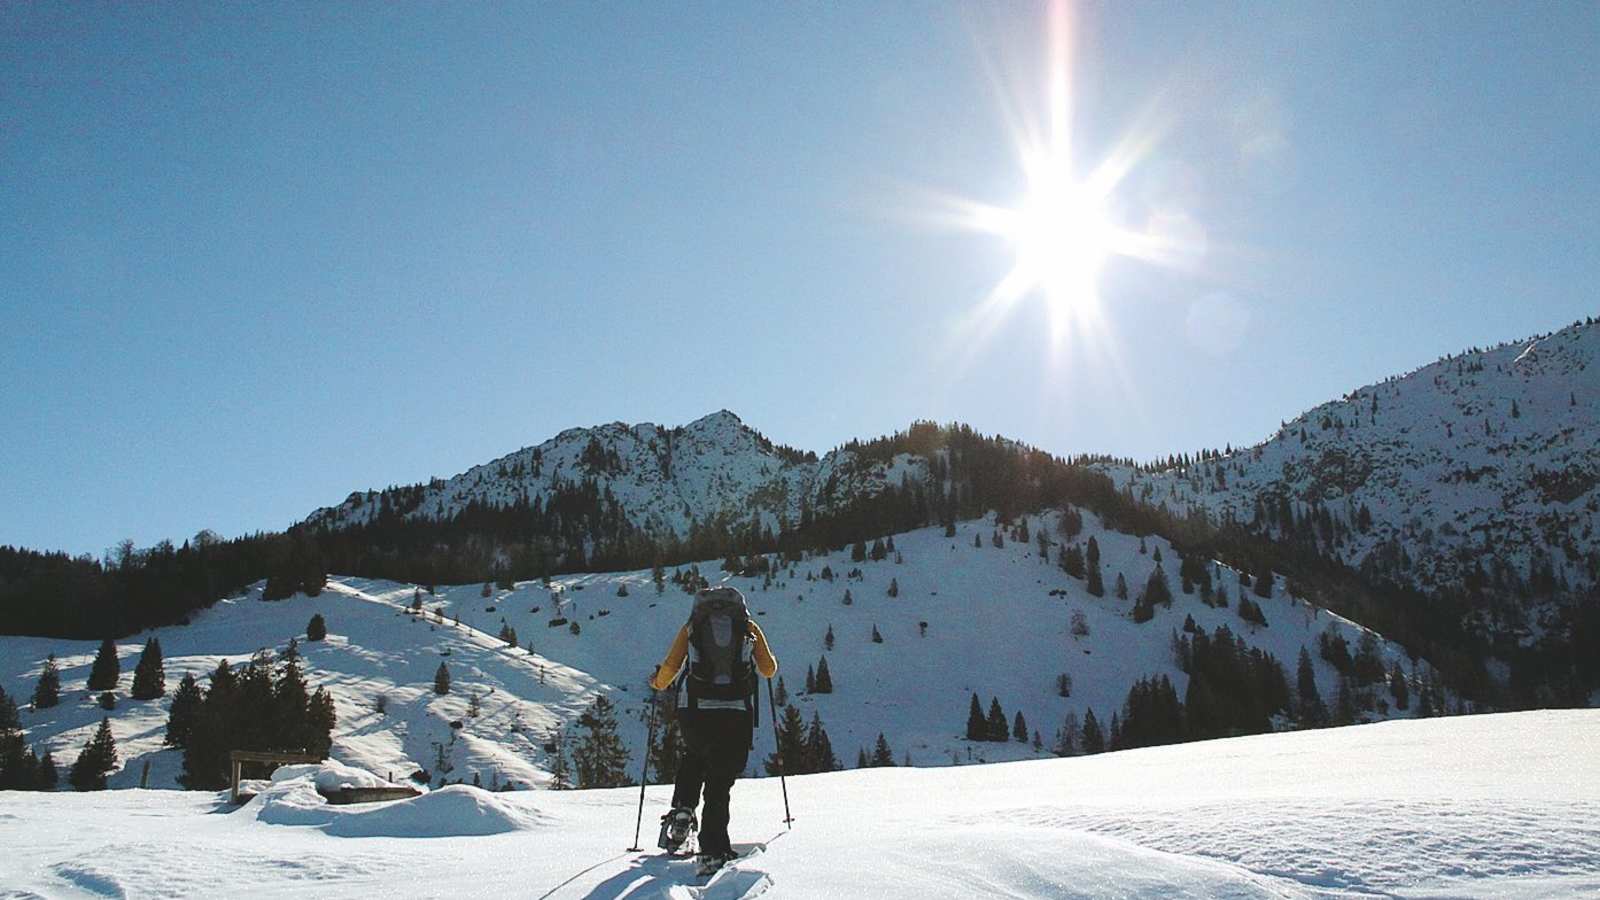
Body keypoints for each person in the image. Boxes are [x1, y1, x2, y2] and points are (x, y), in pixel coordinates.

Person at [649, 585, 777, 875]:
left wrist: (657, 683)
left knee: (694, 755)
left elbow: (671, 666)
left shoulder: (693, 627)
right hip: (735, 713)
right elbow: (768, 670)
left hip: (695, 710)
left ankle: (682, 809)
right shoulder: (748, 627)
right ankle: (712, 850)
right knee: (719, 783)